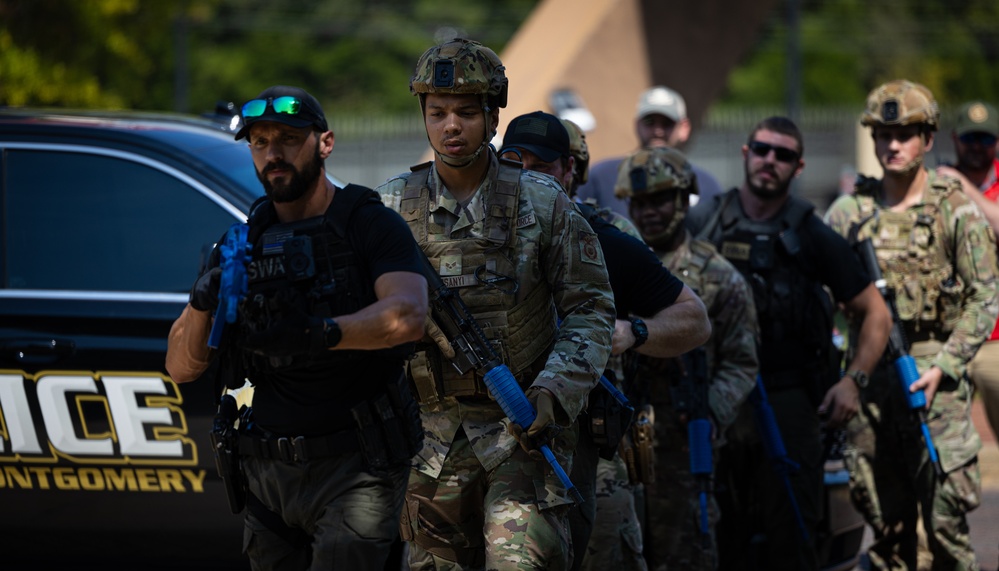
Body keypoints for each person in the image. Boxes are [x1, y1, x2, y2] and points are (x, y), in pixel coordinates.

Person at [375, 39, 617, 570]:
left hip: (522, 434)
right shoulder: (390, 207)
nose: (450, 127)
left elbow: (591, 308)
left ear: (492, 115)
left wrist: (554, 390)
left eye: (465, 112)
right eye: (437, 113)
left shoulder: (542, 201)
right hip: (432, 443)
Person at [164, 85, 430, 570]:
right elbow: (180, 367)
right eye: (260, 142)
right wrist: (204, 300)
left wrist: (319, 332)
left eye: (288, 138)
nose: (273, 153)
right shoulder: (243, 240)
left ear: (324, 142)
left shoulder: (368, 225)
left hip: (356, 469)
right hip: (267, 477)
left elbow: (409, 316)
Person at [497, 110, 712, 571]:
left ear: (569, 171)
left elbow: (694, 319)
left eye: (544, 166)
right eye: (517, 162)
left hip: (585, 439)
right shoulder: (473, 235)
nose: (529, 176)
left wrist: (632, 333)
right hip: (495, 435)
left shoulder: (602, 240)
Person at [687, 116, 892, 570]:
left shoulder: (810, 232)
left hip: (790, 401)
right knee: (716, 532)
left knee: (794, 531)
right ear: (746, 153)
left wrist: (853, 382)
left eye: (783, 155)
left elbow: (875, 312)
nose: (769, 161)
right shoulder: (705, 221)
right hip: (717, 400)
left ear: (798, 167)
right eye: (762, 149)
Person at [825, 80, 999, 570]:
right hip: (869, 385)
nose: (893, 145)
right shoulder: (849, 213)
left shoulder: (954, 208)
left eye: (905, 134)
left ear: (928, 139)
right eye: (883, 134)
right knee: (885, 534)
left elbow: (986, 296)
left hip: (933, 386)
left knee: (946, 529)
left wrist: (946, 364)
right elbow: (817, 297)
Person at [614, 146, 758, 570]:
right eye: (639, 203)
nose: (649, 212)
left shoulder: (718, 276)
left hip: (683, 443)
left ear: (683, 198)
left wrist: (712, 411)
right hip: (620, 441)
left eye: (659, 200)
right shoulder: (615, 263)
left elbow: (742, 361)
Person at [936, 101, 999, 448]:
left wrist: (961, 185)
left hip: (996, 338)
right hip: (947, 333)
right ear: (955, 138)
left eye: (985, 138)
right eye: (970, 138)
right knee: (943, 447)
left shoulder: (953, 182)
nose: (977, 146)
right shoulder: (933, 187)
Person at [576, 85, 724, 219]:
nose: (657, 131)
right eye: (649, 122)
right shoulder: (601, 177)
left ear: (684, 128)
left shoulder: (705, 185)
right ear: (637, 124)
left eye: (667, 123)